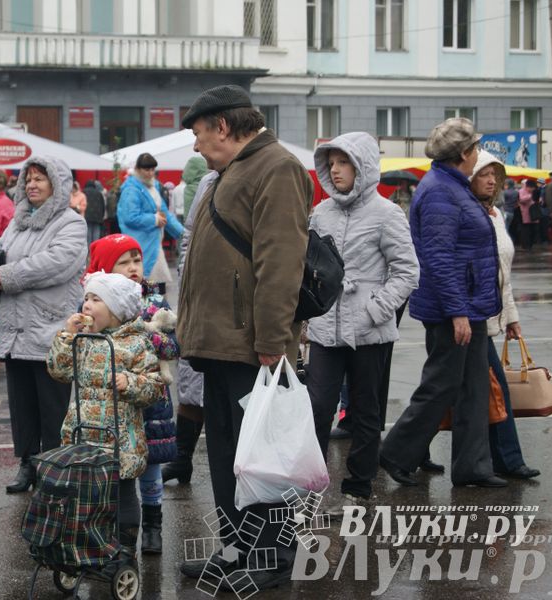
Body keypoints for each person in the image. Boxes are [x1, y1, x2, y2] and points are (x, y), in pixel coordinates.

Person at [176, 85, 312, 590]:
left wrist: (273, 340)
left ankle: (272, 556)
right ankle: (236, 549)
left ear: (223, 126)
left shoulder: (277, 167)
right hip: (222, 342)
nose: (195, 145)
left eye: (198, 133)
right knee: (230, 457)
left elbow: (281, 262)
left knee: (264, 460)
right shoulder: (231, 171)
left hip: (254, 345)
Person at [379, 117, 505, 489]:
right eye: (475, 148)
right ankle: (396, 452)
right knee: (442, 385)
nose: (478, 154)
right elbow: (438, 257)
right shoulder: (440, 191)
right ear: (463, 153)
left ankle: (472, 467)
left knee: (473, 388)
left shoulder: (452, 186)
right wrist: (457, 312)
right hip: (453, 309)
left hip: (468, 305)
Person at [305, 132, 420, 507]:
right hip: (325, 326)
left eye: (344, 163)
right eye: (331, 163)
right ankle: (310, 484)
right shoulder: (320, 212)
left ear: (363, 167)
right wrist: (305, 315)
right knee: (317, 407)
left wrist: (377, 308)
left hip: (370, 329)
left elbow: (407, 271)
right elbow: (309, 268)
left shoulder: (387, 213)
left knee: (366, 411)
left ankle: (359, 486)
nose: (336, 170)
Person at [0, 156, 87, 494]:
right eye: (29, 179)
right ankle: (27, 462)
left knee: (52, 406)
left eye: (40, 179)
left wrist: (7, 275)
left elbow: (57, 263)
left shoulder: (71, 222)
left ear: (57, 184)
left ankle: (53, 466)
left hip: (49, 328)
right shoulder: (18, 222)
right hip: (14, 329)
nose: (31, 185)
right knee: (22, 404)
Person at [47, 272, 166, 572]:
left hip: (120, 441)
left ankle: (125, 550)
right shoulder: (84, 339)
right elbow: (60, 371)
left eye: (96, 299)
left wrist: (131, 382)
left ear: (116, 309)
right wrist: (67, 336)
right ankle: (88, 547)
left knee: (123, 495)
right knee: (86, 498)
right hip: (84, 435)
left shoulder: (137, 343)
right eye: (86, 298)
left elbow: (155, 387)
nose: (86, 305)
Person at [86, 233, 178, 555]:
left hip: (150, 401)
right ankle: (114, 529)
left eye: (136, 260)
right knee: (115, 469)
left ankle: (153, 525)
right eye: (123, 263)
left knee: (150, 467)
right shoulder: (96, 307)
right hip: (112, 406)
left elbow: (173, 347)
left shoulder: (155, 303)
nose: (133, 267)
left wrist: (148, 334)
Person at [469, 151, 541, 480]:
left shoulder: (496, 214)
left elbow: (504, 275)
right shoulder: (466, 214)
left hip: (489, 319)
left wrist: (511, 317)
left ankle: (407, 453)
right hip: (469, 320)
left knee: (453, 392)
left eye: (494, 175)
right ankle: (509, 460)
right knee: (491, 390)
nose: (491, 181)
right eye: (484, 174)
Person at [161, 167, 218, 486]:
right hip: (197, 302)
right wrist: (186, 280)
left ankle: (236, 471)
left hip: (234, 305)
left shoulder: (258, 174)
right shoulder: (209, 182)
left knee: (226, 393)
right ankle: (181, 459)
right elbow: (189, 236)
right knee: (191, 383)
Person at [117, 153, 184, 285]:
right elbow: (130, 217)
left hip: (153, 244)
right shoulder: (131, 189)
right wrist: (154, 219)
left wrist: (183, 233)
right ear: (138, 169)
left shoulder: (153, 186)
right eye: (147, 169)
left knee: (155, 286)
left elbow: (164, 214)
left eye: (153, 169)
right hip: (140, 245)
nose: (150, 173)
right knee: (144, 285)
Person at [83, 180, 106, 245]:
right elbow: (103, 205)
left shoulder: (84, 192)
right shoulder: (99, 193)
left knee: (88, 232)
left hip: (87, 215)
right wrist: (102, 216)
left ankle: (89, 248)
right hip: (98, 216)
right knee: (96, 232)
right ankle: (95, 247)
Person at [518, 180, 538, 251]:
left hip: (533, 213)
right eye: (532, 188)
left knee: (533, 230)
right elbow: (521, 199)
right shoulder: (521, 191)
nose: (533, 189)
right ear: (528, 187)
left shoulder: (534, 191)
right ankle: (526, 245)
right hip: (525, 213)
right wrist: (530, 196)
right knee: (526, 230)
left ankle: (530, 245)